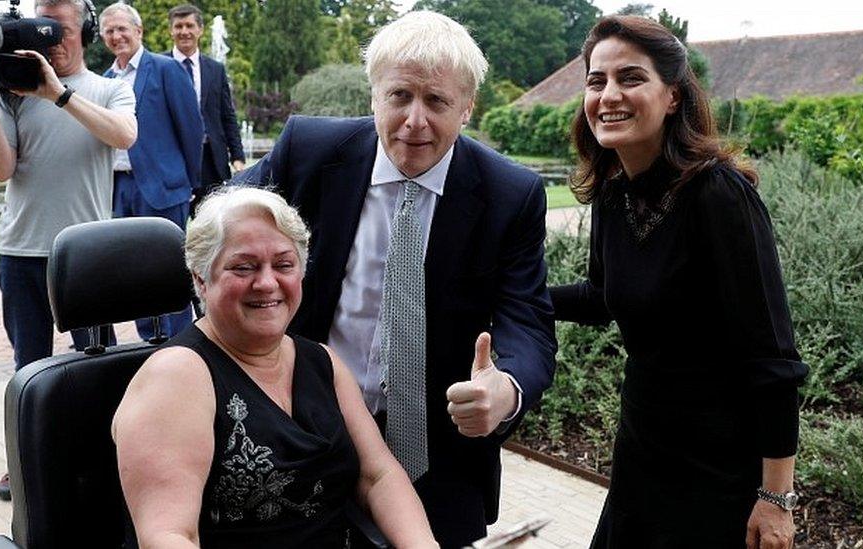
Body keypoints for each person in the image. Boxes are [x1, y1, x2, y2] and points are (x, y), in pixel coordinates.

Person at [231, 10, 556, 547]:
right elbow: (218, 222)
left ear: (468, 107)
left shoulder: (510, 195)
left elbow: (530, 324)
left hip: (435, 458)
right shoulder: (308, 151)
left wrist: (505, 389)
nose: (414, 120)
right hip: (300, 433)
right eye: (400, 96)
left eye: (437, 101)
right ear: (373, 95)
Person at [549, 15, 808, 548]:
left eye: (631, 78)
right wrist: (510, 295)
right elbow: (603, 299)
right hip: (642, 446)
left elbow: (773, 359)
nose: (609, 95)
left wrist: (775, 498)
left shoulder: (719, 195)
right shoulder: (613, 196)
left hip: (718, 468)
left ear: (672, 97)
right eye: (597, 81)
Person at [112, 186, 438, 548]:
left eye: (284, 265)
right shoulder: (176, 378)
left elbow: (378, 475)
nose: (267, 283)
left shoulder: (321, 362)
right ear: (201, 279)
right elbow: (169, 535)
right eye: (244, 267)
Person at [0, 0, 137, 501]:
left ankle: (96, 453)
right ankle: (24, 461)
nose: (47, 41)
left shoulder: (111, 88)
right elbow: (0, 170)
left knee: (95, 358)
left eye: (57, 30)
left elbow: (124, 134)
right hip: (22, 249)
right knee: (29, 364)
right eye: (36, 30)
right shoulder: (12, 94)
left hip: (87, 252)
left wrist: (58, 94)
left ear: (84, 32)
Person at [99, 1, 203, 340]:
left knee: (171, 274)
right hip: (119, 189)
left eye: (122, 29)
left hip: (164, 188)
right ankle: (151, 345)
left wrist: (189, 182)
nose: (117, 36)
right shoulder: (104, 81)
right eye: (109, 31)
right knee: (134, 275)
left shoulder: (166, 69)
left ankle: (185, 347)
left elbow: (190, 128)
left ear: (138, 31)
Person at [165, 3, 246, 215]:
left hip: (211, 160)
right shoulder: (157, 66)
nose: (184, 31)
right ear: (170, 30)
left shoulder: (215, 69)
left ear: (200, 30)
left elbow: (227, 116)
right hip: (173, 160)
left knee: (215, 224)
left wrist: (238, 157)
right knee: (174, 228)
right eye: (178, 26)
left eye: (190, 25)